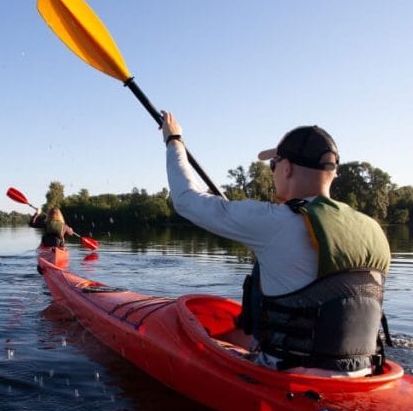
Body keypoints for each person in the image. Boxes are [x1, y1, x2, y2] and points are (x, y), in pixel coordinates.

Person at [161, 111, 391, 377]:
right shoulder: (372, 228)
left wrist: (174, 140)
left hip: (288, 376)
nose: (273, 173)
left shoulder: (277, 221)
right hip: (364, 373)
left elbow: (186, 199)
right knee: (239, 334)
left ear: (287, 167)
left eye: (274, 165)